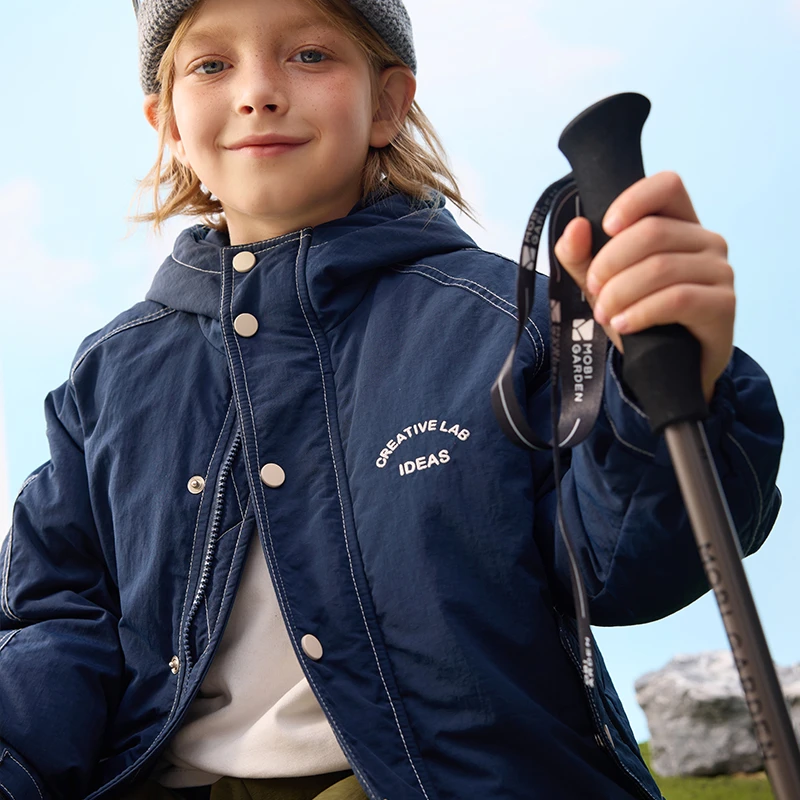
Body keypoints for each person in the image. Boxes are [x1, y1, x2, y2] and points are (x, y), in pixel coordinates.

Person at [0, 0, 783, 797]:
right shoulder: (109, 375)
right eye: (211, 65)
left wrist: (665, 379)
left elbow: (628, 570)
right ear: (166, 121)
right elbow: (59, 620)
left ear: (390, 103)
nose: (258, 92)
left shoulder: (511, 326)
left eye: (309, 56)